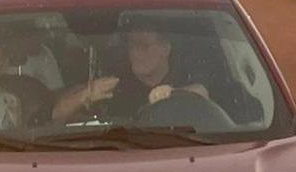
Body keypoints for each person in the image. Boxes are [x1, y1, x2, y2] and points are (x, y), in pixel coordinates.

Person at [52, 26, 208, 123]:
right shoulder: (116, 85)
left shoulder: (184, 77)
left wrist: (174, 95)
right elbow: (56, 116)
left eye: (142, 45)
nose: (134, 51)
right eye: (131, 44)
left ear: (165, 48)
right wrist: (85, 95)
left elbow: (203, 94)